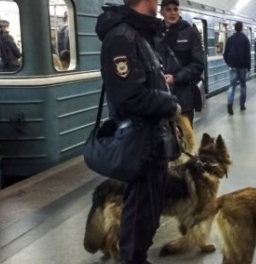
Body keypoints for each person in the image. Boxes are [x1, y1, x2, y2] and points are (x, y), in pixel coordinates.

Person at [95, 0, 180, 263]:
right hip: (138, 142)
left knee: (148, 213)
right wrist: (170, 103)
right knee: (139, 213)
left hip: (152, 140)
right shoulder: (122, 38)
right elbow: (128, 96)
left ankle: (137, 256)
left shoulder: (139, 35)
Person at [156, 0, 204, 125]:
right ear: (161, 12)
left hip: (184, 98)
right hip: (160, 99)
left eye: (175, 9)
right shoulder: (155, 33)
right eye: (168, 9)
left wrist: (175, 78)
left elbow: (198, 64)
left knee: (185, 139)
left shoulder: (190, 33)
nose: (172, 13)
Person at [223, 21, 251, 115]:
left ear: (235, 28)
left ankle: (230, 105)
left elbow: (225, 53)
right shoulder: (245, 40)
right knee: (243, 85)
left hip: (233, 66)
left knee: (231, 86)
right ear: (242, 28)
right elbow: (247, 55)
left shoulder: (230, 39)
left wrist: (229, 63)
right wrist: (249, 67)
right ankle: (242, 105)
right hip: (243, 67)